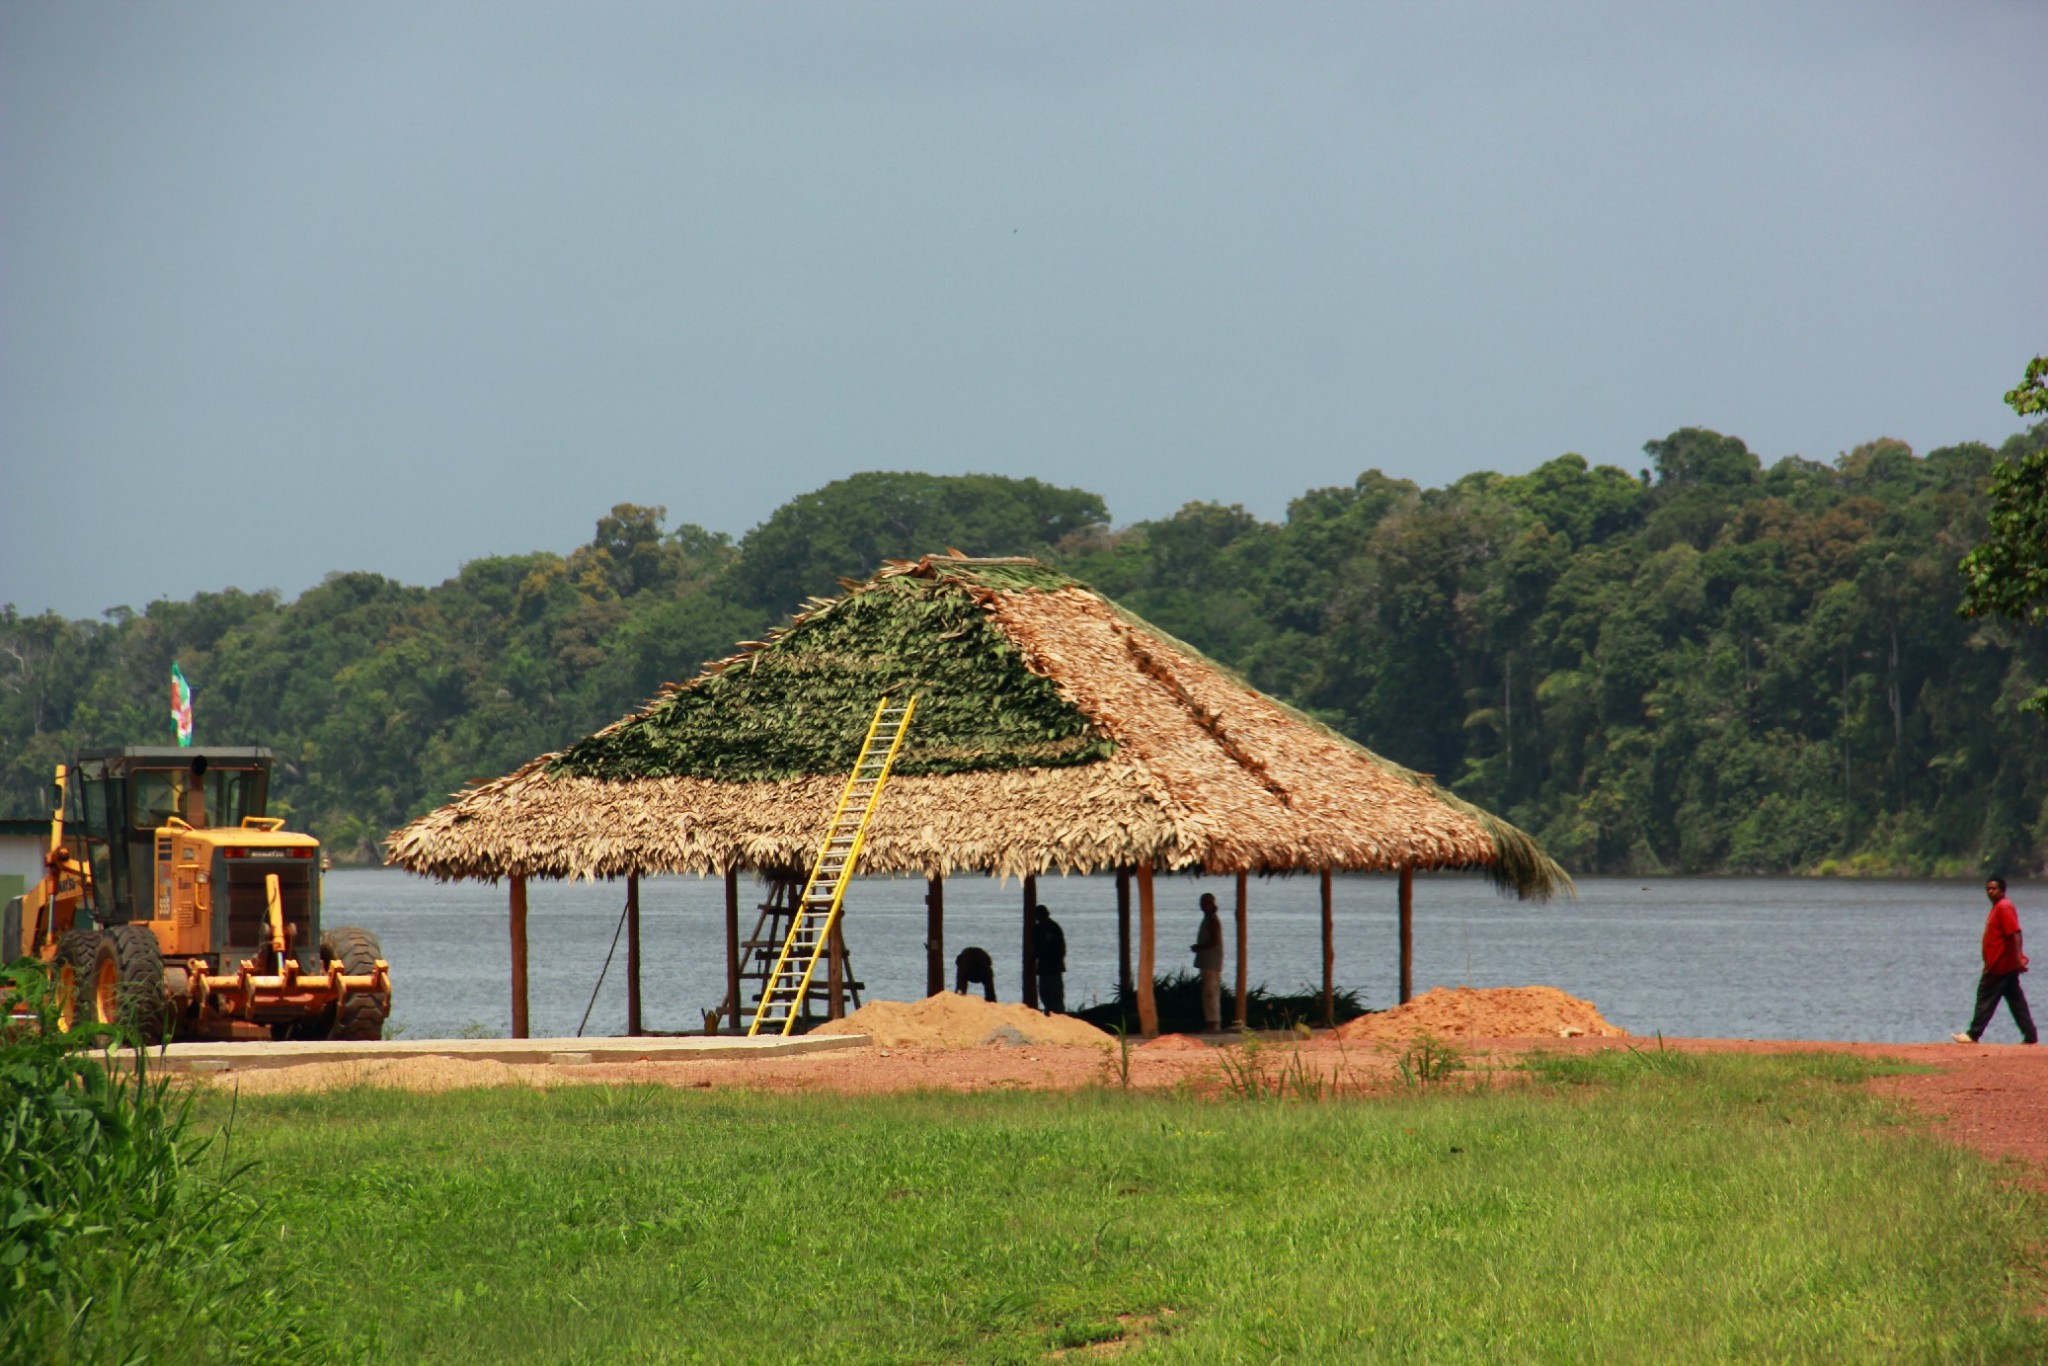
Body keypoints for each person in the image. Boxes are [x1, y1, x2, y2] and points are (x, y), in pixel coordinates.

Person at [1954, 876, 2038, 1045]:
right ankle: (2030, 1036)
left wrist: (2018, 958)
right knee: (2016, 1002)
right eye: (1988, 889)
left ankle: (1973, 1034)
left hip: (2000, 965)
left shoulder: (2004, 907)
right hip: (2003, 966)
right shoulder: (1998, 908)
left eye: (1994, 889)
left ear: (2002, 890)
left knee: (1985, 996)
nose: (1990, 892)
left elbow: (2015, 933)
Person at [1191, 892, 1225, 1032]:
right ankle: (1211, 1022)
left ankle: (1213, 1023)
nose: (1201, 905)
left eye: (1204, 903)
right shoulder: (1208, 919)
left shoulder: (1212, 920)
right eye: (1201, 902)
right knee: (1208, 991)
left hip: (1211, 961)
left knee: (1211, 992)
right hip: (1207, 961)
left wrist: (1199, 948)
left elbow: (1214, 941)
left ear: (1211, 904)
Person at [1032, 906, 1067, 1014]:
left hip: (1052, 968)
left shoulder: (1052, 928)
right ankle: (1050, 1013)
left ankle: (1058, 1016)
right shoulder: (1039, 928)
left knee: (1054, 996)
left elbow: (1060, 949)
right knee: (1046, 995)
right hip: (1045, 968)